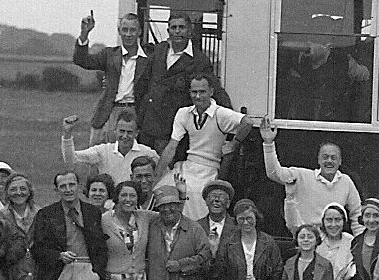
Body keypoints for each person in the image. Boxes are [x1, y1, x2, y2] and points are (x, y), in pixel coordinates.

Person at [136, 12, 232, 151]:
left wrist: (231, 119)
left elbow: (215, 91)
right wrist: (140, 115)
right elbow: (142, 85)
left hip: (173, 131)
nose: (177, 31)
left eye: (182, 27)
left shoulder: (199, 61)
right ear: (168, 31)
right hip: (148, 128)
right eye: (173, 27)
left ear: (190, 30)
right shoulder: (158, 51)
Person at [163, 75, 254, 220]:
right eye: (194, 92)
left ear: (211, 91)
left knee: (196, 193)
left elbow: (247, 122)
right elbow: (171, 147)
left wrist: (234, 143)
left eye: (202, 92)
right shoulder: (183, 113)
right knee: (163, 187)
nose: (198, 96)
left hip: (210, 169)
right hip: (188, 165)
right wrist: (157, 175)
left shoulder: (220, 113)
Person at [261, 122, 363, 235]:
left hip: (332, 240)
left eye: (333, 158)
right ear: (318, 160)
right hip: (306, 238)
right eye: (325, 157)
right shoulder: (301, 176)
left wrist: (360, 241)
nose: (329, 161)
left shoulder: (346, 181)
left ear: (340, 161)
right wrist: (268, 143)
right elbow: (274, 173)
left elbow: (357, 213)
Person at [71, 10, 154, 141]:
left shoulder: (150, 58)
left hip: (137, 113)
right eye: (124, 30)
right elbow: (82, 60)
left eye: (132, 30)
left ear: (139, 32)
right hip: (110, 112)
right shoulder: (109, 55)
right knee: (100, 155)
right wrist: (84, 33)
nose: (128, 34)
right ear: (119, 31)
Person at [61, 109, 159, 186]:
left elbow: (163, 173)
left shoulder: (147, 153)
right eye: (121, 131)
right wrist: (67, 134)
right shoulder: (103, 151)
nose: (125, 136)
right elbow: (71, 161)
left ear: (136, 133)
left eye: (129, 132)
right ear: (115, 131)